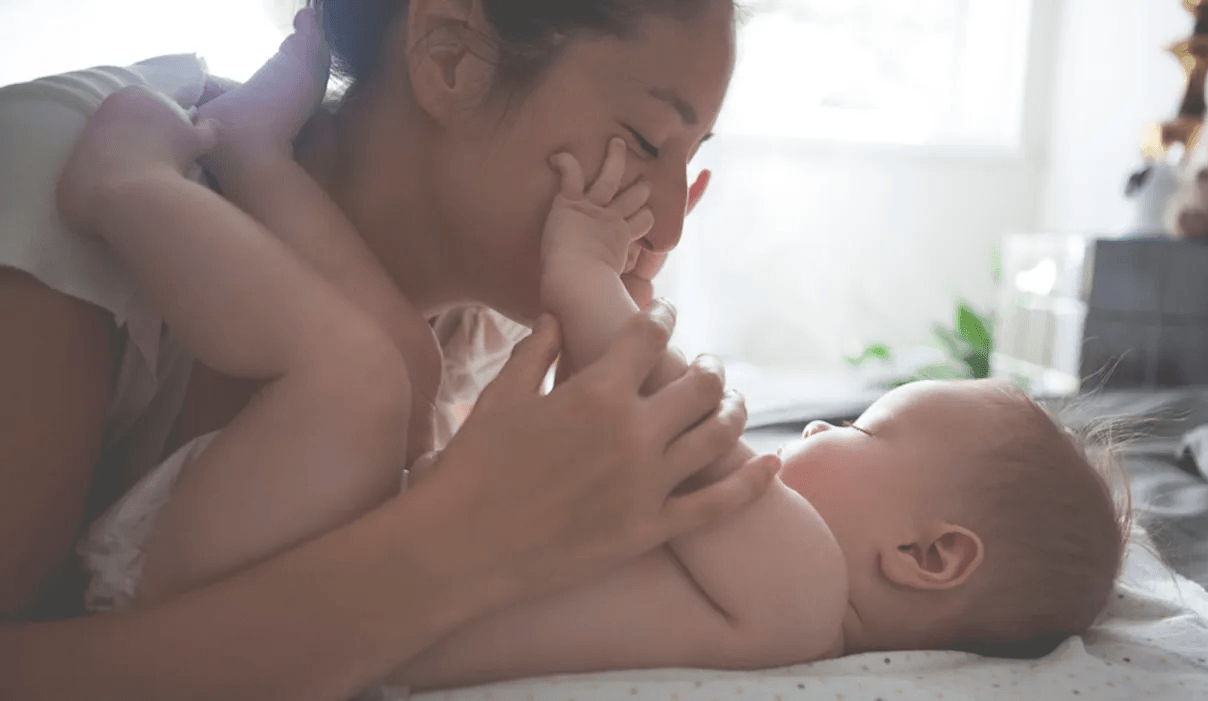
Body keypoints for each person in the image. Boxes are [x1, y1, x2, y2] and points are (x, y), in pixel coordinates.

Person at [65, 20, 1129, 691]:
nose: (808, 425)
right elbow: (600, 430)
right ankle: (254, 157)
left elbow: (662, 414)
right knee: (398, 364)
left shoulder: (802, 590)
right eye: (655, 139)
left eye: (860, 425)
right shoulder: (755, 588)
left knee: (356, 380)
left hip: (246, 612)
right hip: (298, 565)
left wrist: (586, 279)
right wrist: (613, 316)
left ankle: (131, 191)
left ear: (928, 556)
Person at [0, 1, 776, 698]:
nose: (668, 228)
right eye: (645, 140)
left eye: (692, 157)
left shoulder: (474, 327)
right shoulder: (68, 183)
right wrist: (462, 545)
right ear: (449, 56)